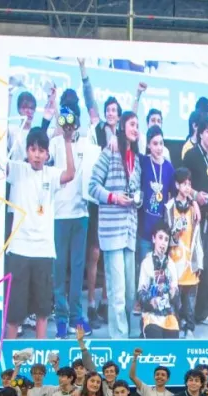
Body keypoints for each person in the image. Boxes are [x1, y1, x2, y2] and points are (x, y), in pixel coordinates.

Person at [4, 125, 76, 340]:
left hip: (43, 250)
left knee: (42, 311)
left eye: (41, 150)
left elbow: (70, 174)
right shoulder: (17, 169)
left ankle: (40, 354)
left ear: (47, 154)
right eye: (33, 149)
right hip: (19, 249)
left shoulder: (51, 174)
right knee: (14, 313)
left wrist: (67, 141)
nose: (36, 155)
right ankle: (10, 356)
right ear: (27, 151)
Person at [89, 111, 143, 338]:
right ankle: (119, 340)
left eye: (137, 125)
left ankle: (126, 334)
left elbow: (136, 191)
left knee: (130, 293)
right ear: (122, 127)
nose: (135, 129)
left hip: (129, 230)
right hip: (112, 232)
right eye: (132, 124)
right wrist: (113, 197)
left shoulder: (136, 160)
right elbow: (92, 187)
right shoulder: (109, 152)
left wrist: (136, 199)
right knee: (117, 292)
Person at [51, 84, 99, 338]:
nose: (69, 123)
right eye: (65, 116)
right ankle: (60, 316)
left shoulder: (88, 141)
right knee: (59, 268)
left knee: (78, 268)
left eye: (73, 117)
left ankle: (75, 316)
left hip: (81, 213)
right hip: (59, 214)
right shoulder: (54, 142)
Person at [182, 115, 208, 327]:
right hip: (192, 218)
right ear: (200, 134)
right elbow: (182, 184)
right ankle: (188, 311)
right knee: (192, 265)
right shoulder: (190, 156)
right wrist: (196, 195)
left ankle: (205, 310)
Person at [163, 167, 203, 337]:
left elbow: (197, 237)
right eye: (184, 184)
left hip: (190, 261)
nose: (187, 187)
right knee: (175, 299)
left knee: (190, 300)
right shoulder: (169, 207)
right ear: (177, 185)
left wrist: (199, 260)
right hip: (174, 261)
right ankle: (176, 326)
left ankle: (190, 328)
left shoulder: (194, 207)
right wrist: (175, 235)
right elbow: (165, 236)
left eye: (189, 184)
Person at [139, 125, 176, 268]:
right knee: (144, 270)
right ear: (148, 145)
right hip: (144, 230)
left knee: (159, 272)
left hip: (161, 232)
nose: (159, 148)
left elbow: (175, 194)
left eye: (161, 143)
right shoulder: (143, 162)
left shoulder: (168, 167)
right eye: (155, 144)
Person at [137, 223, 180, 338]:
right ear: (153, 239)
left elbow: (177, 300)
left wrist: (173, 292)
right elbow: (140, 295)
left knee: (173, 337)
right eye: (160, 238)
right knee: (155, 335)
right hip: (151, 316)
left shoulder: (171, 264)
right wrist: (151, 302)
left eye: (166, 239)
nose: (163, 243)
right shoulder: (146, 263)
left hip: (168, 316)